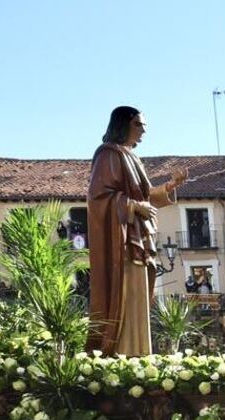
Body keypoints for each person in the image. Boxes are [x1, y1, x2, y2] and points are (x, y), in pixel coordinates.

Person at [87, 106, 188, 355]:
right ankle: (122, 352)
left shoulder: (131, 156)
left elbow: (145, 196)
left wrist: (170, 186)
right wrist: (134, 206)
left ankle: (139, 354)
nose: (143, 130)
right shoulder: (108, 154)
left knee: (138, 296)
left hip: (138, 237)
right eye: (139, 125)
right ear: (123, 124)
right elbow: (98, 196)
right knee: (125, 293)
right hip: (122, 240)